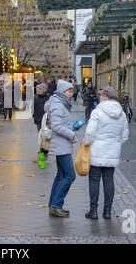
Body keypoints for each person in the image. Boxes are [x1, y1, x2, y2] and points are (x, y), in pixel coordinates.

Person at [84, 86, 129, 220]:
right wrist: (115, 143)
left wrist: (86, 143)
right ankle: (107, 211)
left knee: (94, 180)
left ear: (105, 97)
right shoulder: (122, 114)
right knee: (109, 181)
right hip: (112, 151)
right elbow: (125, 136)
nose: (99, 97)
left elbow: (90, 133)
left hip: (97, 151)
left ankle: (93, 211)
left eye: (101, 95)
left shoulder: (97, 112)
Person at [44, 80, 78, 218]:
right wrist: (72, 134)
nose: (71, 94)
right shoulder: (58, 105)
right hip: (61, 146)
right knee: (70, 175)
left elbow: (60, 124)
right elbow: (56, 126)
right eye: (69, 91)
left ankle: (54, 205)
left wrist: (72, 127)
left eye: (72, 92)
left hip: (61, 145)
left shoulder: (59, 103)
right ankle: (57, 205)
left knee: (61, 175)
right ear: (62, 91)